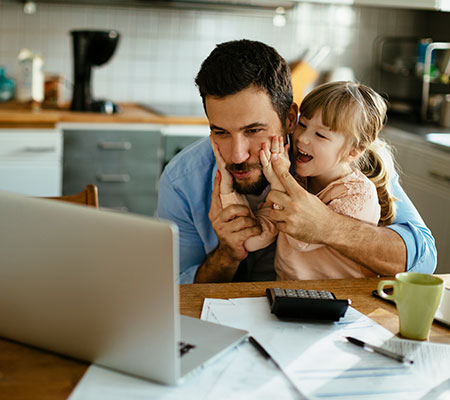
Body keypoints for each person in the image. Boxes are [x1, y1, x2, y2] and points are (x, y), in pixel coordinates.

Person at [156, 39, 436, 284]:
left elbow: (422, 258)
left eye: (254, 131)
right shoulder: (183, 179)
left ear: (291, 119)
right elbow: (175, 292)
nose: (238, 155)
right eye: (220, 132)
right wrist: (228, 253)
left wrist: (328, 226)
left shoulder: (341, 161)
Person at [214, 81, 397, 280]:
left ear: (353, 151)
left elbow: (301, 239)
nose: (302, 138)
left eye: (320, 134)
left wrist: (278, 180)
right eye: (303, 124)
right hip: (290, 295)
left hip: (343, 299)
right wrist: (227, 188)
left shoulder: (358, 194)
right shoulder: (299, 181)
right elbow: (253, 241)